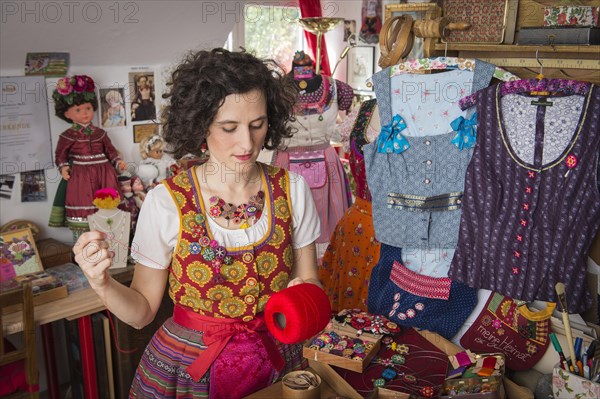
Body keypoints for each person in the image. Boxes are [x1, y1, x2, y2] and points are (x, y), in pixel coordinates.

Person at [73, 48, 322, 399]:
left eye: (257, 124)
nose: (247, 143)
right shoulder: (166, 202)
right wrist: (101, 283)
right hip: (189, 371)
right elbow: (142, 312)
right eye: (229, 128)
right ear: (200, 123)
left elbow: (311, 280)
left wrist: (304, 296)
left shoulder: (293, 190)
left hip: (279, 358)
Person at [272, 50, 354, 258]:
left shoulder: (338, 89)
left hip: (325, 167)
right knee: (287, 222)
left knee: (329, 229)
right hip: (287, 168)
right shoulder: (273, 91)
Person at [50, 75, 127, 237]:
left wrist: (118, 161)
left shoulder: (100, 133)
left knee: (108, 210)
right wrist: (63, 167)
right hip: (81, 177)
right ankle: (84, 246)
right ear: (67, 114)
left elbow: (110, 150)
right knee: (84, 208)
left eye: (88, 109)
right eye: (78, 110)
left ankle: (111, 245)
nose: (84, 113)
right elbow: (60, 155)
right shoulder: (68, 135)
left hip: (104, 174)